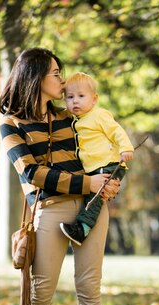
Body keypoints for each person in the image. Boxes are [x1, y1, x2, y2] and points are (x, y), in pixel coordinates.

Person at [0, 48, 120, 305]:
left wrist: (109, 180)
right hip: (50, 209)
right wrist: (87, 184)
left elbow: (98, 152)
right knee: (41, 291)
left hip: (92, 210)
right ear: (35, 76)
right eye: (55, 73)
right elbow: (32, 174)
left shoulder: (72, 117)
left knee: (89, 287)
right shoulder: (11, 125)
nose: (62, 79)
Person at [59, 72, 134, 246]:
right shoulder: (75, 120)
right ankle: (81, 228)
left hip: (108, 164)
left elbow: (116, 131)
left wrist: (126, 148)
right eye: (70, 97)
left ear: (94, 99)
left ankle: (82, 229)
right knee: (93, 196)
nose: (75, 101)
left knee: (95, 197)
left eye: (81, 96)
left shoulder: (99, 115)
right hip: (94, 167)